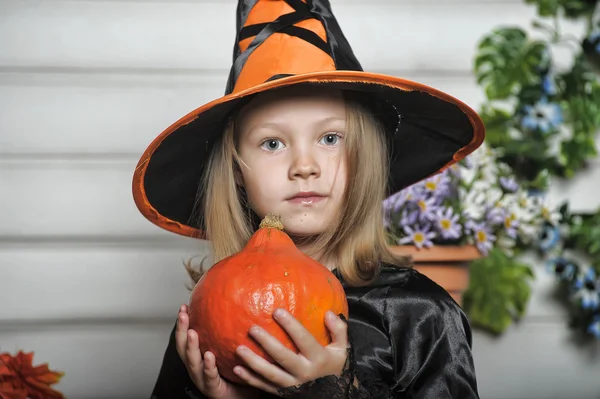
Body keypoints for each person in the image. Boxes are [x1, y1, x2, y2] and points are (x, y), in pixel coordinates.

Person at [132, 1, 485, 398]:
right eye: (272, 142)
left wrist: (333, 390)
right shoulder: (206, 316)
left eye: (330, 138)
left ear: (364, 159)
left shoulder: (420, 314)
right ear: (236, 171)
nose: (304, 166)